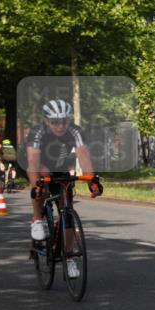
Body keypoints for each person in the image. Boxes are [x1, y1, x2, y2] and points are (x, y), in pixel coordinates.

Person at [27, 100, 101, 278]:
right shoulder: (37, 132)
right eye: (55, 122)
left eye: (64, 121)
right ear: (46, 120)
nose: (60, 126)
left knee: (67, 211)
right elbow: (33, 163)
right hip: (40, 164)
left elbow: (84, 157)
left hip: (61, 166)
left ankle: (69, 257)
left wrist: (92, 181)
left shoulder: (75, 131)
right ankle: (37, 218)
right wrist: (37, 186)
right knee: (41, 181)